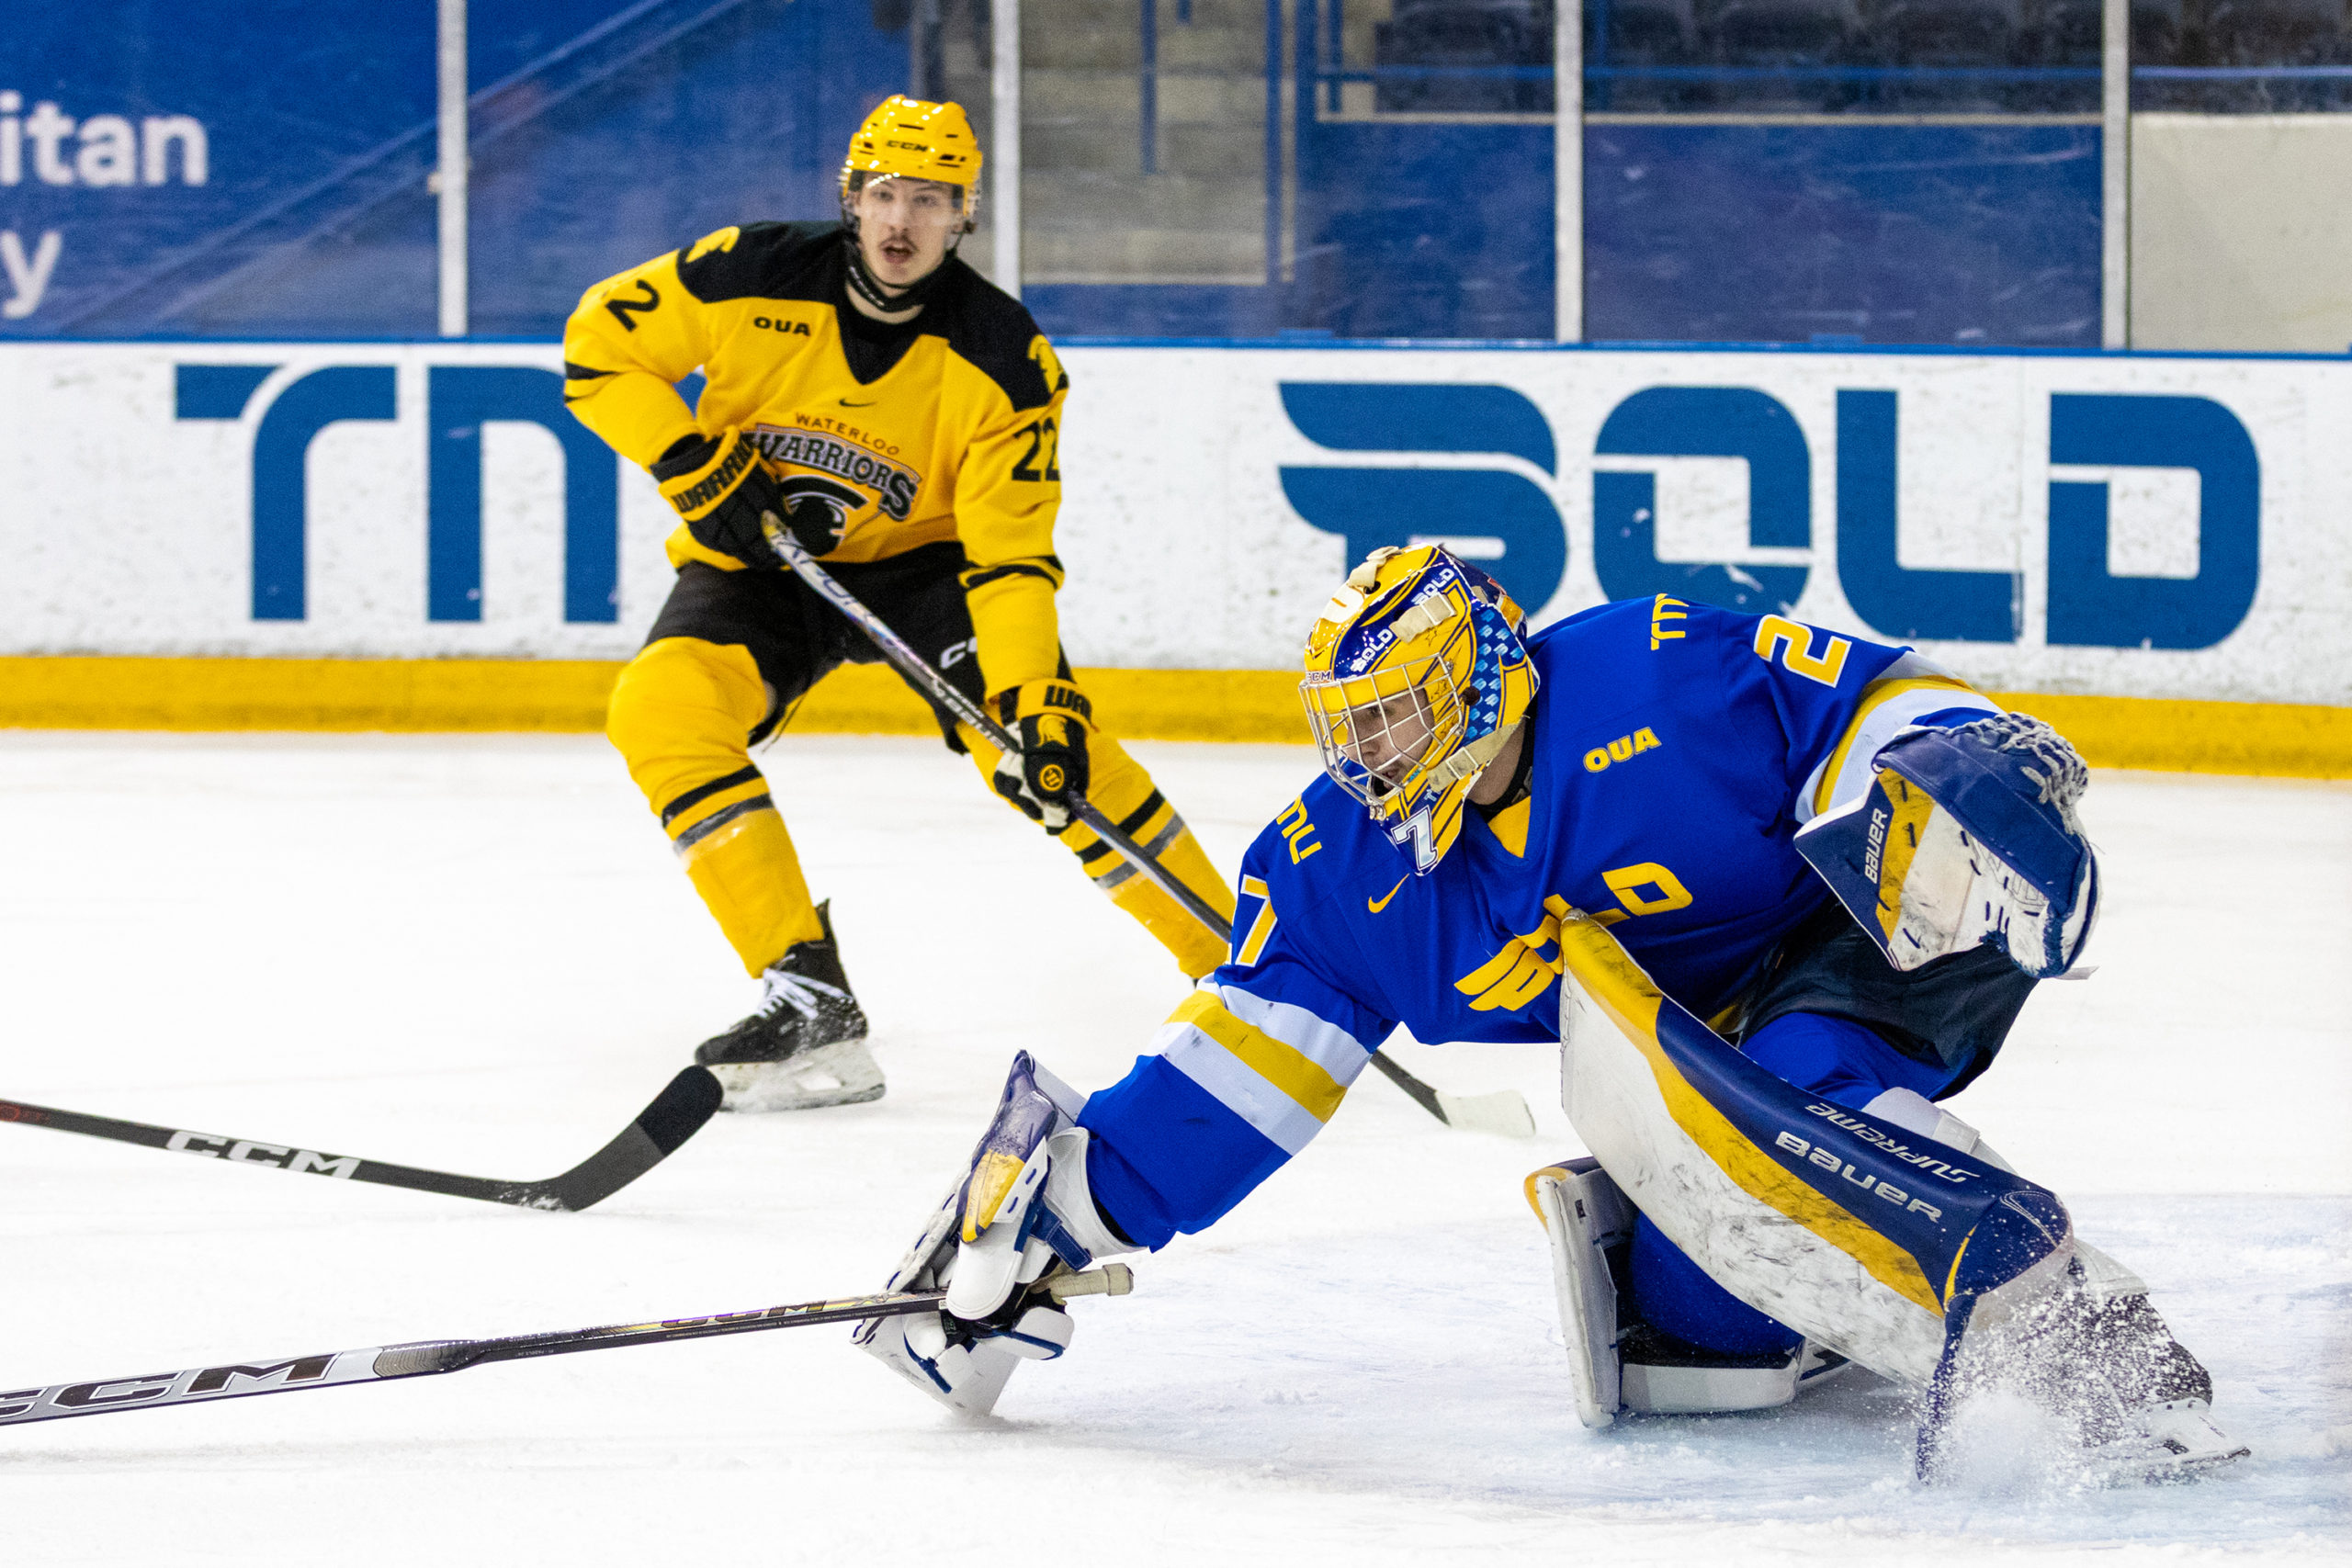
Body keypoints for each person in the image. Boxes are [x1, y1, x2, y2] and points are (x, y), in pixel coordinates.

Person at [855, 546, 2245, 1481]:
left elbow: (1871, 691)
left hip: (1857, 928)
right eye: (1354, 726)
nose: (1369, 758)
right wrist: (1057, 1217)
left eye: (1397, 716)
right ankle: (1795, 1267)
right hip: (1684, 1052)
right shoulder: (1346, 872)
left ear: (1480, 675)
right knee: (1703, 1342)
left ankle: (2063, 1316)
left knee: (1801, 1074)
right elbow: (1244, 1067)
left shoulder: (1656, 673)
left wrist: (1943, 760)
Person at [560, 96, 1234, 1112]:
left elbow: (1010, 559)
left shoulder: (1005, 358)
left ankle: (1245, 977)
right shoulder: (743, 271)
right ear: (849, 198)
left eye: (931, 200)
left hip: (932, 576)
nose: (901, 222)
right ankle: (808, 998)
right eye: (885, 194)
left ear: (965, 216)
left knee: (1051, 750)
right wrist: (689, 458)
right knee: (659, 714)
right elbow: (598, 343)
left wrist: (1035, 697)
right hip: (761, 560)